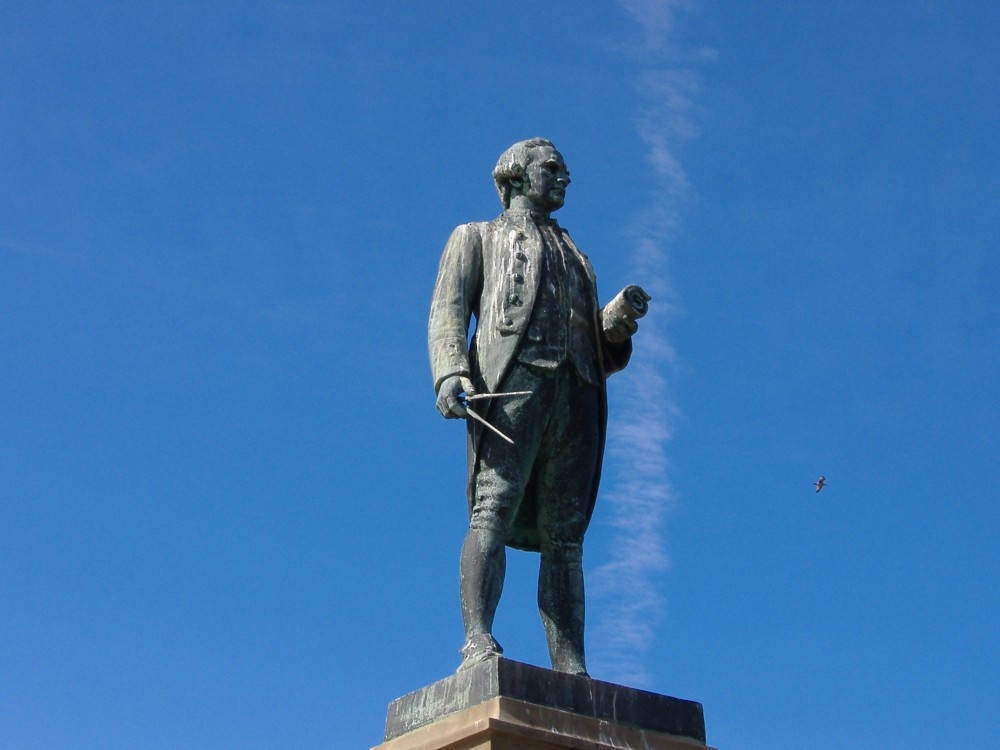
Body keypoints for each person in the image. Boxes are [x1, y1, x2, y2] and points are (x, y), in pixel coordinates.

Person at [428, 138, 647, 675]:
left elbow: (589, 333)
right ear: (516, 176)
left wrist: (612, 326)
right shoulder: (476, 237)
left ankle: (570, 667)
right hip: (510, 384)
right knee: (492, 509)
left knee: (566, 535)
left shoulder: (577, 252)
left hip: (577, 388)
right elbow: (448, 309)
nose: (565, 176)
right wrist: (450, 372)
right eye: (553, 168)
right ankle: (477, 641)